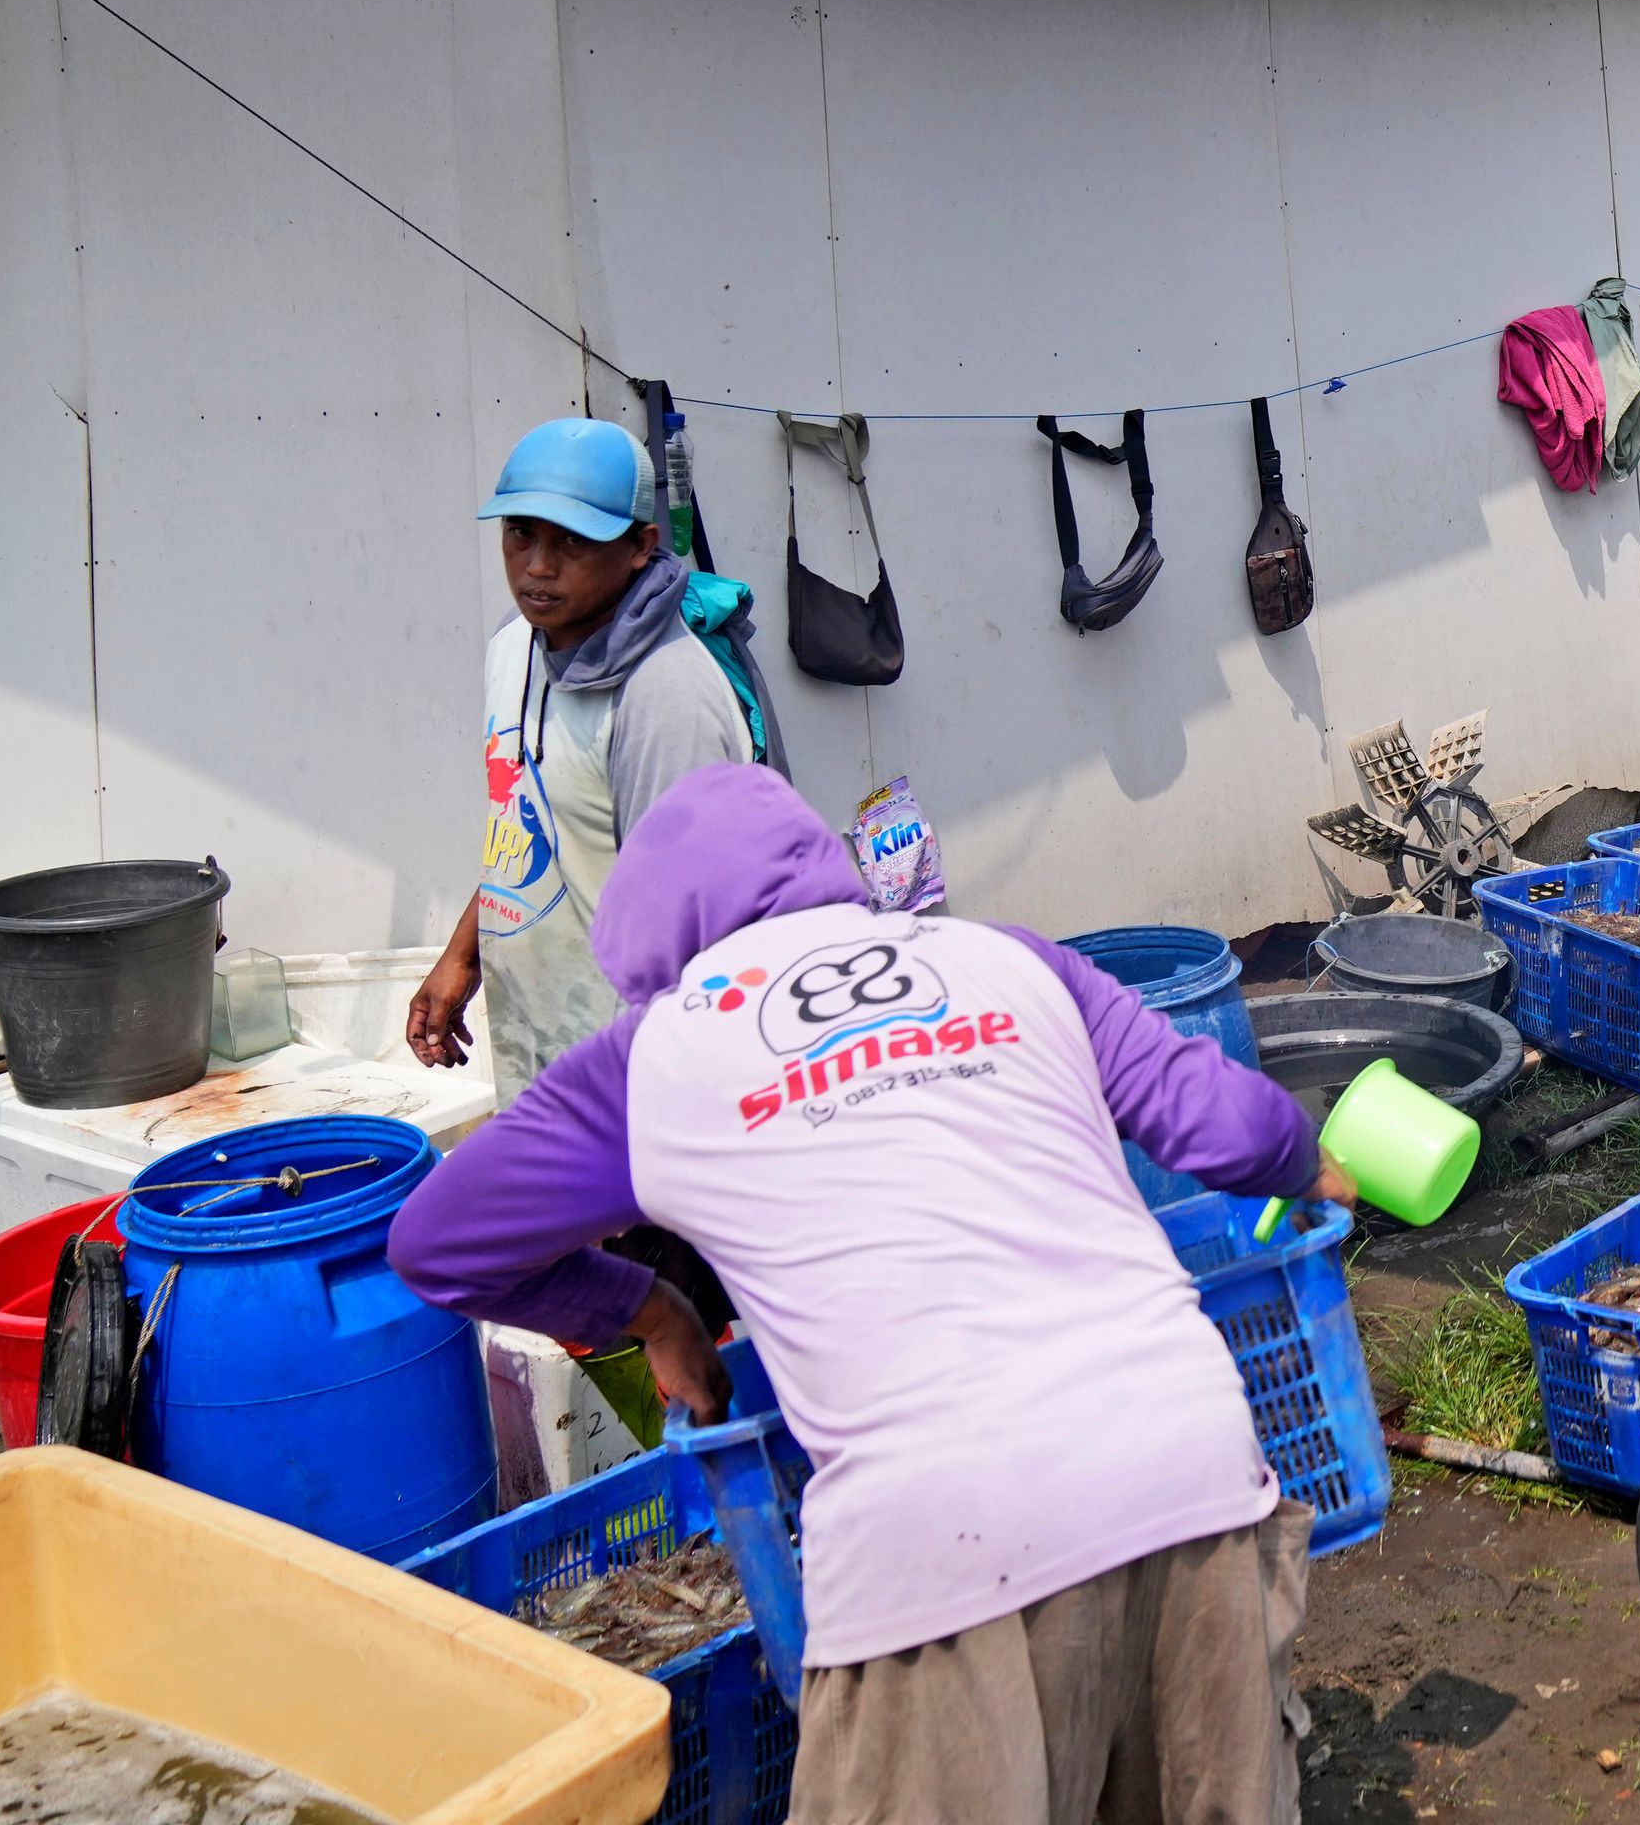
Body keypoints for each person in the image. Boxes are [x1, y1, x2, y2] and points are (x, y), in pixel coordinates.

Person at [389, 764, 1348, 1825]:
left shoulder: (652, 1056)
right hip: (1189, 1460)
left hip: (937, 1544)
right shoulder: (1006, 957)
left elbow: (438, 1243)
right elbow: (1222, 1121)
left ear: (651, 941)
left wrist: (649, 1310)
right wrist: (1309, 1163)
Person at [409, 417, 773, 1106]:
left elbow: (688, 937)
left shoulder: (665, 695)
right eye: (521, 533)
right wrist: (464, 956)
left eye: (573, 540)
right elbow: (528, 817)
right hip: (542, 1047)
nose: (538, 567)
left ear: (640, 547)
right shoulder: (515, 645)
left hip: (631, 1079)